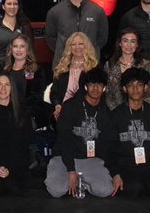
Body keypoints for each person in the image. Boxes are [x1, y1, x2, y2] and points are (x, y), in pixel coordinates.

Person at [45, 69, 116, 198]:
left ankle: (82, 182)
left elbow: (108, 146)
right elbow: (63, 139)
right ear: (85, 86)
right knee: (56, 191)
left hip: (90, 159)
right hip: (65, 158)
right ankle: (74, 178)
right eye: (91, 84)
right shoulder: (70, 106)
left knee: (106, 190)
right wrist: (71, 170)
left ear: (104, 88)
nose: (95, 88)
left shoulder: (106, 112)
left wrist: (115, 172)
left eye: (99, 85)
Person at [109, 68, 150, 197]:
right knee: (134, 189)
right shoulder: (116, 115)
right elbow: (109, 147)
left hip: (149, 168)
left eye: (139, 85)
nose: (135, 89)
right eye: (131, 85)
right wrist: (115, 173)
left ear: (146, 88)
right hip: (126, 168)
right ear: (124, 89)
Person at [45, 0, 109, 64]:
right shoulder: (55, 12)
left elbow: (102, 38)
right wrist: (67, 52)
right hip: (63, 65)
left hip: (90, 65)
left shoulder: (97, 11)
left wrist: (88, 51)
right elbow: (50, 39)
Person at [0, 32, 50, 128]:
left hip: (29, 115)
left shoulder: (37, 70)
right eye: (15, 46)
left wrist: (18, 111)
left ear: (28, 49)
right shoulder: (4, 69)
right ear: (11, 49)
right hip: (6, 113)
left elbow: (36, 97)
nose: (18, 50)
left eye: (22, 46)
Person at [49, 32, 100, 119]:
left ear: (86, 46)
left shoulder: (94, 68)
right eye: (73, 44)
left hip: (87, 112)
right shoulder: (62, 67)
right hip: (63, 111)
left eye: (81, 44)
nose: (77, 47)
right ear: (69, 47)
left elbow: (97, 93)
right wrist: (58, 106)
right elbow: (54, 93)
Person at [104, 28, 150, 111]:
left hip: (140, 112)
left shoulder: (145, 64)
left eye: (133, 41)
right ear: (120, 43)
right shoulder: (109, 65)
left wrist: (140, 109)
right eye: (125, 41)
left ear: (137, 44)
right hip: (115, 112)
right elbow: (106, 93)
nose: (129, 45)